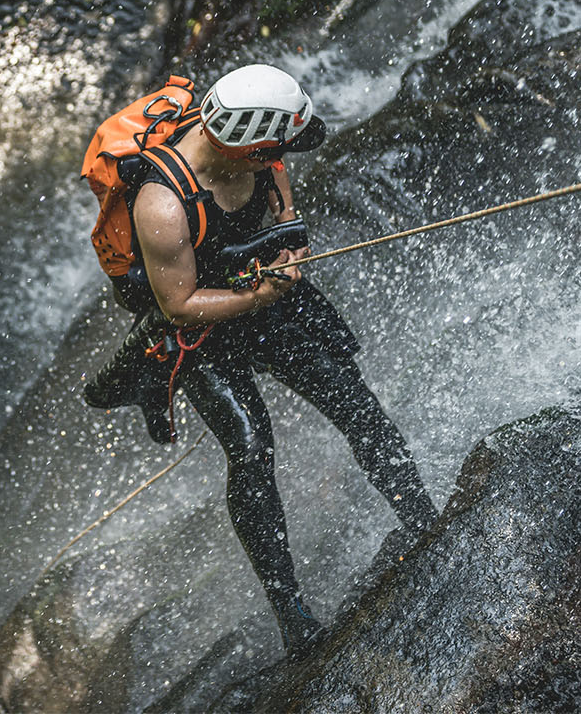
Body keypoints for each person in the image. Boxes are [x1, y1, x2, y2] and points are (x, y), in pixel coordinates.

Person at [82, 63, 437, 658]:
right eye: (275, 149)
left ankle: (423, 517)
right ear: (242, 145)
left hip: (258, 293)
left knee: (354, 401)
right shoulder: (162, 203)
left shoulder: (260, 154)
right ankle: (289, 608)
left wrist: (290, 253)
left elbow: (283, 214)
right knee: (250, 447)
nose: (282, 158)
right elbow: (179, 304)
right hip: (200, 325)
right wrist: (259, 295)